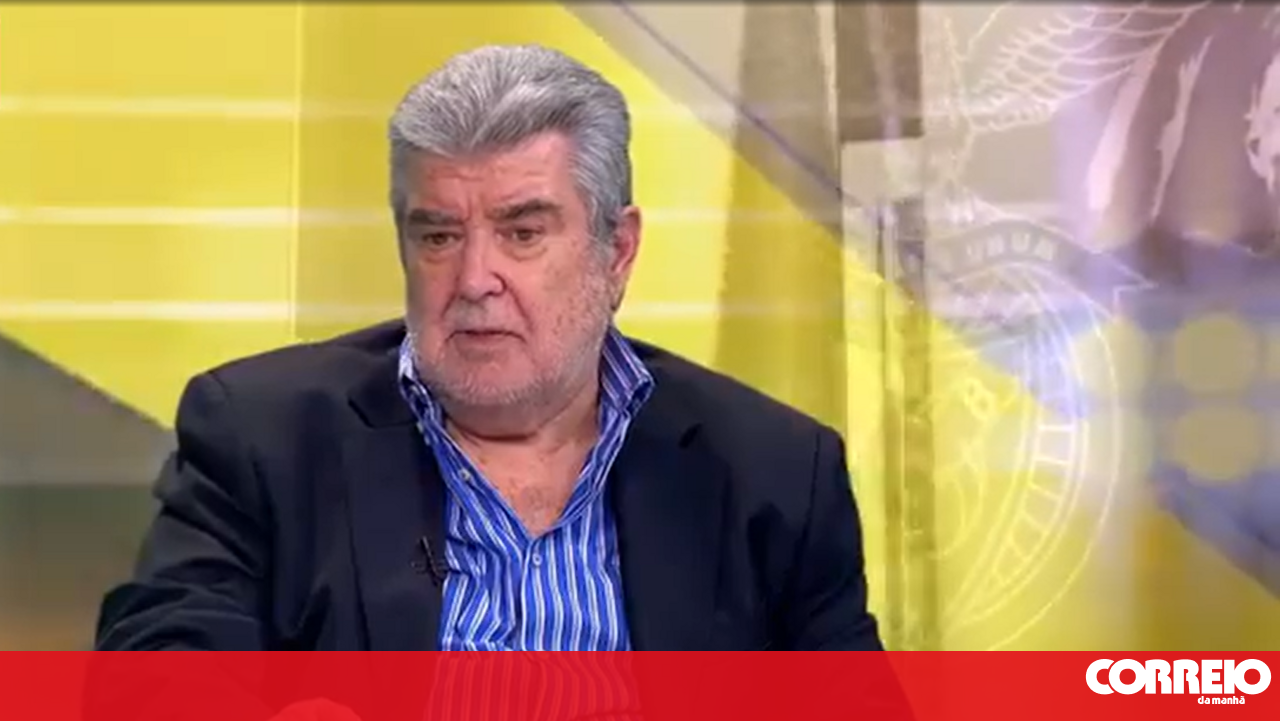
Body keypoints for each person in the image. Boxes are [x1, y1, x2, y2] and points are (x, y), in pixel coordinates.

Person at [94, 44, 882, 652]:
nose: (474, 279)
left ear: (616, 251)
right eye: (438, 236)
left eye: (522, 232)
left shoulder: (773, 472)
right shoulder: (263, 437)